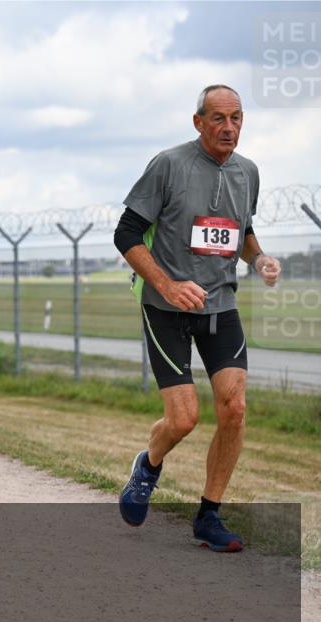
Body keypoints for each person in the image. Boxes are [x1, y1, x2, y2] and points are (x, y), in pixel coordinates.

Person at [114, 85, 282, 552]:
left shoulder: (248, 172)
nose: (229, 127)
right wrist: (167, 284)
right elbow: (126, 233)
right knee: (184, 419)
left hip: (220, 305)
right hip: (166, 307)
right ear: (198, 122)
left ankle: (209, 515)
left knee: (234, 408)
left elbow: (242, 231)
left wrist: (259, 259)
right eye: (218, 118)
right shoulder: (169, 164)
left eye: (237, 118)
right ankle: (148, 465)